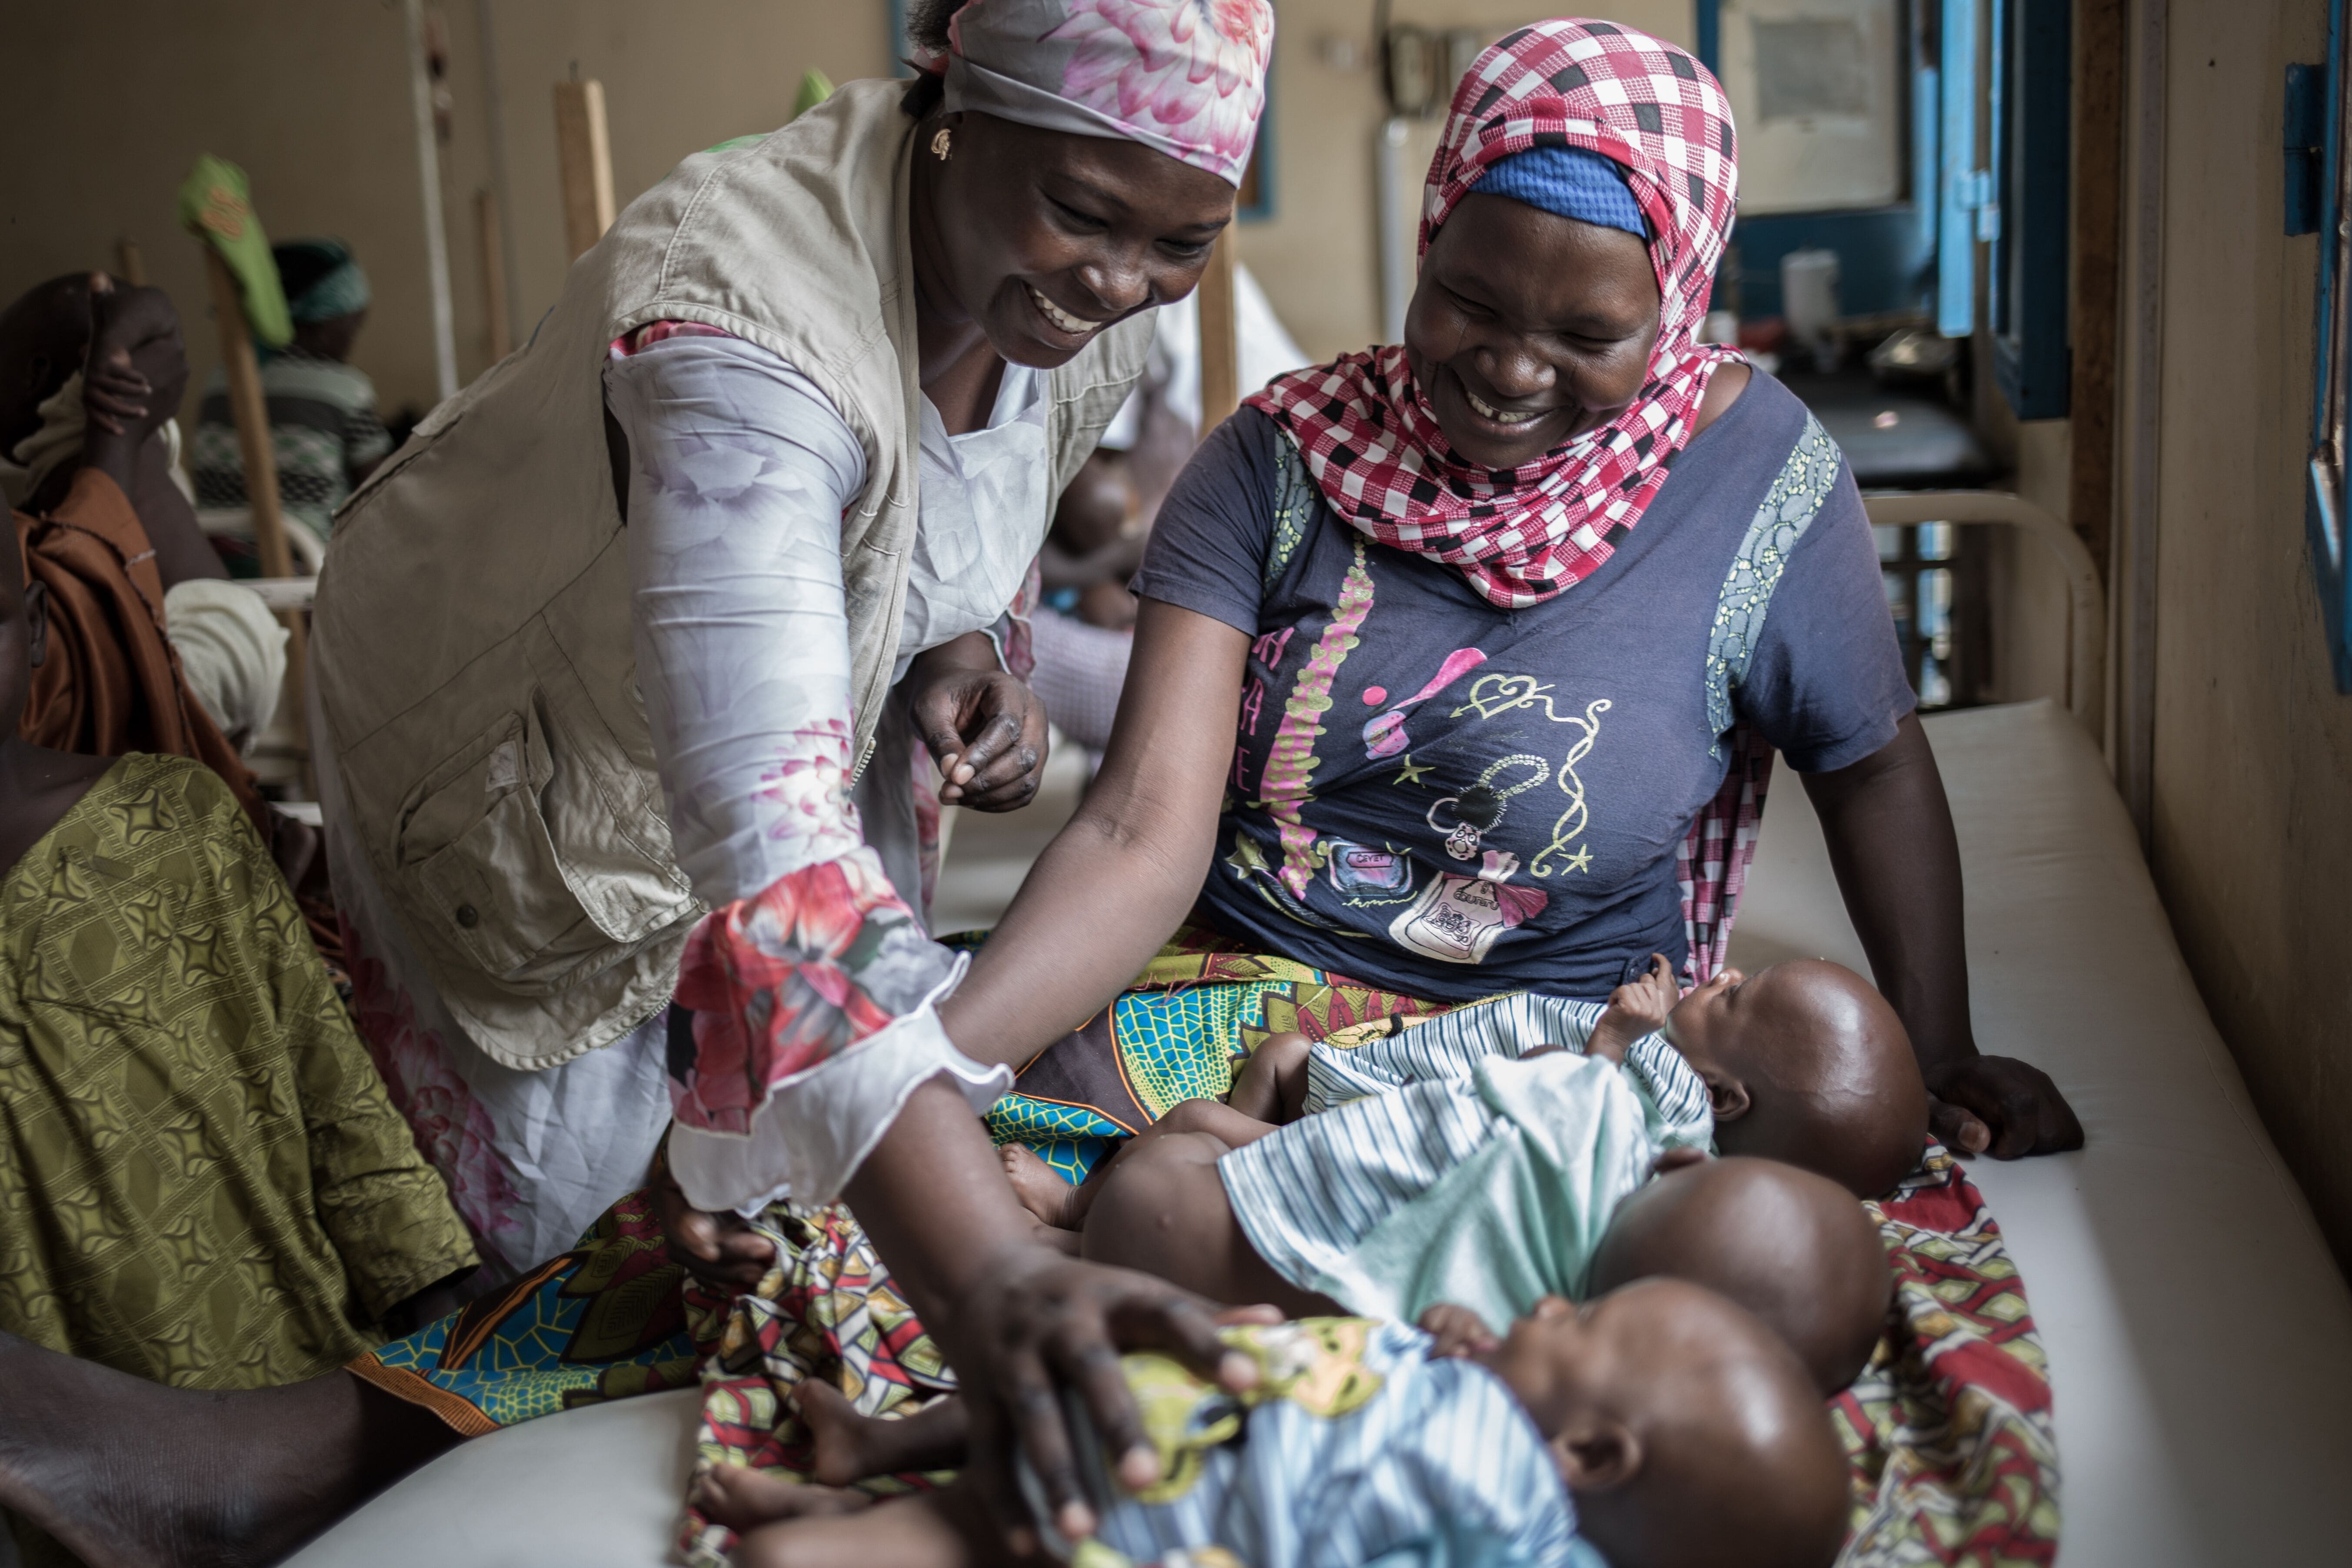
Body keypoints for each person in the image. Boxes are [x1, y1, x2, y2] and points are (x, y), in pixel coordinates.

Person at [0, 396, 477, 1431]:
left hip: (280, 1362)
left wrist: (443, 1318)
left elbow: (333, 1098)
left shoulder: (171, 823)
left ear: (36, 632)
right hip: (61, 1444)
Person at [697, 1283, 1849, 1568]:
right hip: (1173, 1404)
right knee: (1018, 1432)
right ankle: (855, 1474)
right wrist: (1444, 1332)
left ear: (1589, 1455)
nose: (1547, 1299)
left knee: (968, 1532)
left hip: (1164, 1508)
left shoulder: (1522, 1534)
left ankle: (821, 1530)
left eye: (1580, 1318)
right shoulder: (1495, 1398)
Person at [1, 273, 290, 762]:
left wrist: (111, 350)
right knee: (201, 781)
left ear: (35, 375)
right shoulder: (133, 391)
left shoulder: (95, 408)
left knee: (141, 751)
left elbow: (81, 551)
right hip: (221, 617)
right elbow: (149, 307)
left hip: (184, 639)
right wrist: (119, 341)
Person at [189, 238, 393, 565]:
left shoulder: (219, 379)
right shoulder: (346, 389)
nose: (353, 340)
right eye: (353, 326)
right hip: (301, 568)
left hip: (217, 562)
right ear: (322, 322)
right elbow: (382, 496)